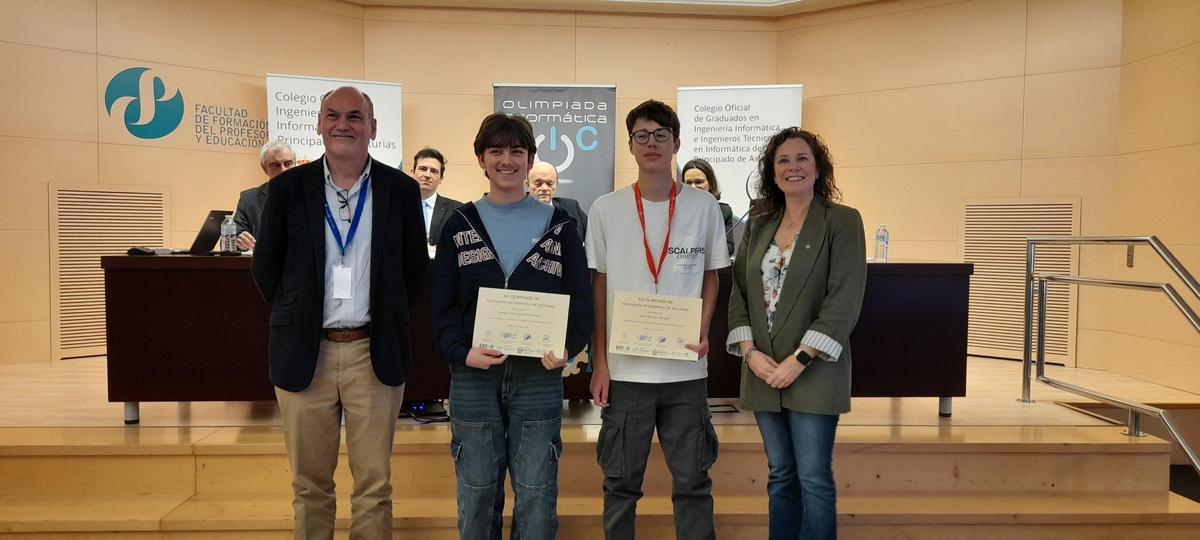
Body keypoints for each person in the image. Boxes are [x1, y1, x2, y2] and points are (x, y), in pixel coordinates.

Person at [251, 86, 429, 540]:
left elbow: (413, 271)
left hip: (374, 352)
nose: (343, 124)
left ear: (373, 128)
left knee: (374, 486)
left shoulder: (401, 190)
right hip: (305, 352)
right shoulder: (288, 188)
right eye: (333, 115)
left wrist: (382, 316)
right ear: (318, 124)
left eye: (355, 116)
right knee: (309, 485)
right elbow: (267, 266)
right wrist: (300, 313)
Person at [430, 113, 593, 540]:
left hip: (538, 375)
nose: (507, 160)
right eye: (496, 151)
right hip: (472, 376)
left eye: (516, 151)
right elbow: (441, 307)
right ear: (481, 159)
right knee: (477, 490)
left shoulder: (560, 226)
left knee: (537, 492)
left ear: (530, 158)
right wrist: (461, 352)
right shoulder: (459, 225)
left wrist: (568, 347)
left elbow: (581, 303)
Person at [586, 100, 729, 540]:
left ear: (677, 143)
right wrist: (601, 364)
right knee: (621, 484)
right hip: (626, 373)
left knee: (692, 482)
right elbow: (599, 288)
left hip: (685, 370)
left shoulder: (703, 207)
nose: (651, 143)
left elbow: (711, 278)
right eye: (641, 136)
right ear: (630, 145)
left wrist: (702, 330)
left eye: (660, 135)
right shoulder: (605, 209)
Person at [725, 127, 867, 540]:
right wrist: (750, 354)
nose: (793, 167)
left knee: (813, 479)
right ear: (772, 171)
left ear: (818, 166)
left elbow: (844, 300)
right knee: (780, 475)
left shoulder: (842, 221)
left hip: (814, 372)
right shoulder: (759, 222)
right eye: (783, 160)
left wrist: (799, 360)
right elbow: (741, 291)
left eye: (802, 158)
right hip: (763, 369)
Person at [234, 141, 296, 251]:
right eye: (275, 165)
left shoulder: (312, 195)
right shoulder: (249, 199)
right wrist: (239, 241)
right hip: (265, 265)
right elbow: (231, 238)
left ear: (295, 164)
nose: (283, 170)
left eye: (288, 163)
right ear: (264, 168)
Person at [681, 157, 735, 259]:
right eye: (688, 182)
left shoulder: (724, 212)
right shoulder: (674, 211)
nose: (693, 187)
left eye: (698, 182)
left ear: (710, 184)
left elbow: (729, 248)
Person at [410, 146, 463, 245]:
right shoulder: (396, 206)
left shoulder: (457, 210)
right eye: (423, 169)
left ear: (441, 178)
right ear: (412, 173)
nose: (427, 175)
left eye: (434, 171)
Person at [527, 161, 588, 242]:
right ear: (528, 185)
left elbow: (594, 240)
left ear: (556, 184)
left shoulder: (572, 207)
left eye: (550, 183)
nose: (544, 188)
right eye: (538, 183)